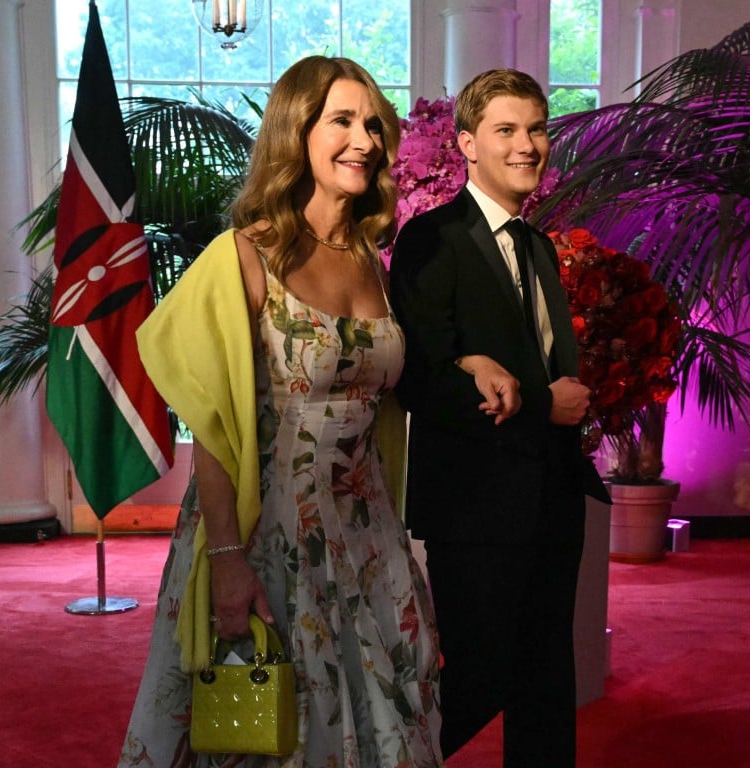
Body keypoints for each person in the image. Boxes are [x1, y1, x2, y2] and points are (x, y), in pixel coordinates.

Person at [118, 56, 443, 768]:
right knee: (271, 731)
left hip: (366, 533)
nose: (365, 139)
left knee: (387, 721)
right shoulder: (244, 256)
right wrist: (230, 561)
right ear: (296, 132)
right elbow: (213, 430)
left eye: (373, 124)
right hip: (271, 535)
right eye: (342, 121)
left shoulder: (369, 258)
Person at [389, 69, 608, 767]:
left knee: (547, 683)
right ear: (467, 145)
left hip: (553, 498)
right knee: (479, 677)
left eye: (537, 129)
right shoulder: (431, 238)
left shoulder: (540, 247)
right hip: (475, 508)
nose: (528, 145)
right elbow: (417, 379)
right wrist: (546, 402)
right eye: (507, 130)